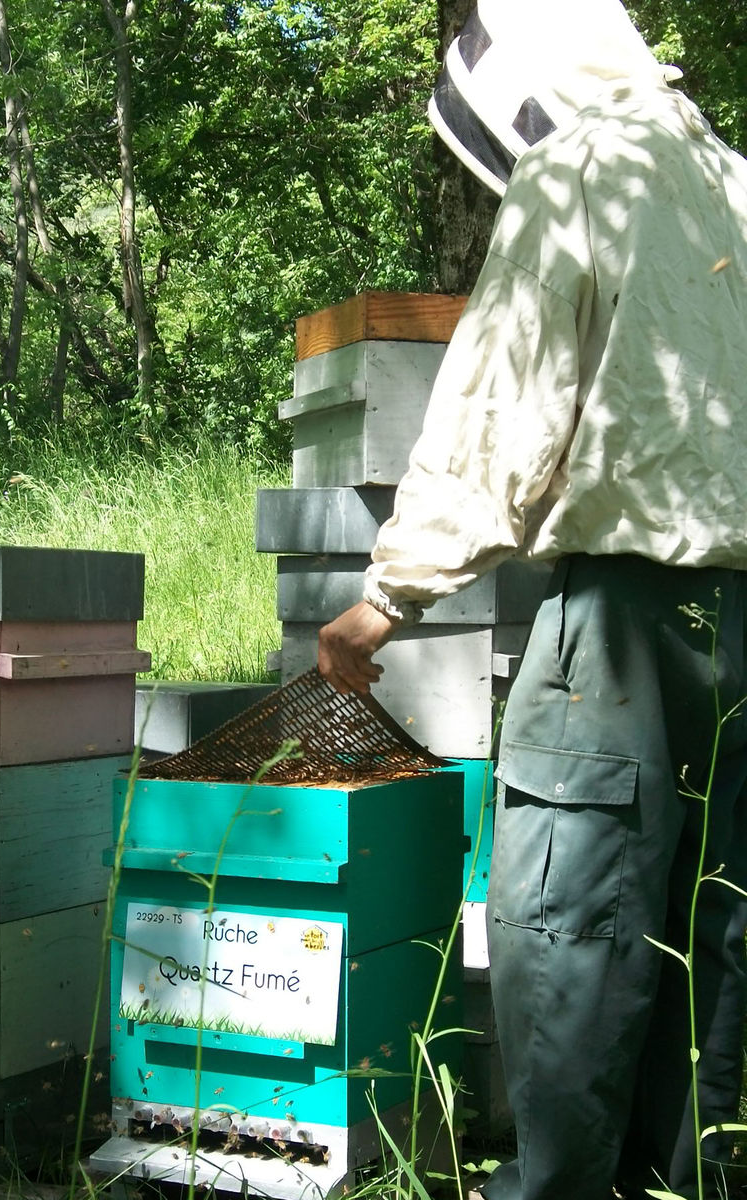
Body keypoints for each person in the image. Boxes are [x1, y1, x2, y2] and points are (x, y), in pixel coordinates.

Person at [317, 3, 747, 1198]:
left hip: (620, 628)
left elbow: (502, 408)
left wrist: (386, 599)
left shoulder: (580, 168)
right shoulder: (738, 182)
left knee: (570, 930)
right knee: (711, 937)